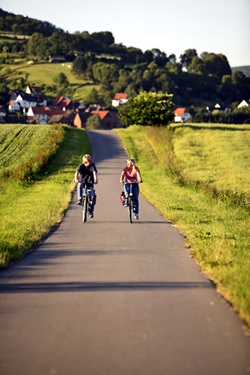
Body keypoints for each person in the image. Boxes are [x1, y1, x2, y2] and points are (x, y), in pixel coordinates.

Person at [74, 154, 98, 218]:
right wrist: (76, 179)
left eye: (89, 160)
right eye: (86, 161)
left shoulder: (92, 166)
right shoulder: (81, 166)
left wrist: (95, 180)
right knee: (79, 186)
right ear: (84, 161)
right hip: (82, 181)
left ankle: (90, 211)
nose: (88, 162)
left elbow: (94, 173)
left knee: (92, 197)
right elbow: (77, 173)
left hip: (90, 183)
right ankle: (80, 199)